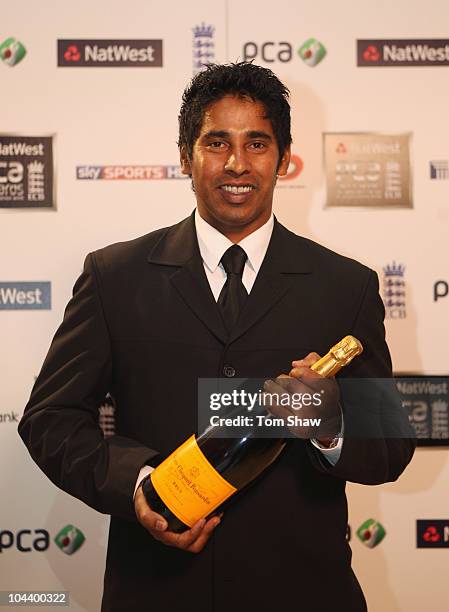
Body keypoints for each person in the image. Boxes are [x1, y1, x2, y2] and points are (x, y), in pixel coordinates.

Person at [19, 62, 415, 612]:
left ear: (283, 159)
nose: (236, 164)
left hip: (303, 593)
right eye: (215, 142)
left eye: (257, 143)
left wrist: (331, 424)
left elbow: (390, 451)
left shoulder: (345, 286)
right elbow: (49, 419)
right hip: (155, 592)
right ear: (185, 156)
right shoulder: (115, 277)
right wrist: (141, 487)